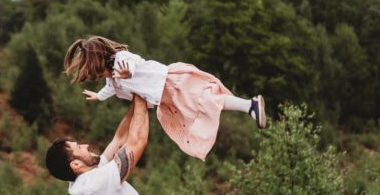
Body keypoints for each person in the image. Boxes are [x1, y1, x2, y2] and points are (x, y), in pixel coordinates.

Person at [64, 35, 267, 160]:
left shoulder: (121, 61)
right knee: (200, 111)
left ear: (102, 60)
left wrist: (128, 73)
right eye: (100, 77)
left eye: (101, 73)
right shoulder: (112, 79)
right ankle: (249, 106)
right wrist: (99, 97)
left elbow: (133, 64)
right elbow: (109, 88)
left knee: (207, 100)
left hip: (171, 83)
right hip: (167, 98)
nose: (104, 78)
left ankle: (250, 105)